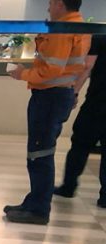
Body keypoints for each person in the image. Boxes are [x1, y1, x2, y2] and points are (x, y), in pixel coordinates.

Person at [4, 0, 91, 224]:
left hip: (50, 96)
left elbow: (51, 69)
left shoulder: (62, 30)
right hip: (59, 95)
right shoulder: (79, 26)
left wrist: (22, 73)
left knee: (39, 153)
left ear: (60, 4)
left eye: (51, 3)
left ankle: (38, 209)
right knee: (41, 151)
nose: (48, 8)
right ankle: (34, 201)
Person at [53, 34, 105, 208]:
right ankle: (105, 196)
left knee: (80, 143)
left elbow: (88, 65)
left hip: (98, 102)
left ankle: (69, 186)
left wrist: (74, 92)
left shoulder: (100, 38)